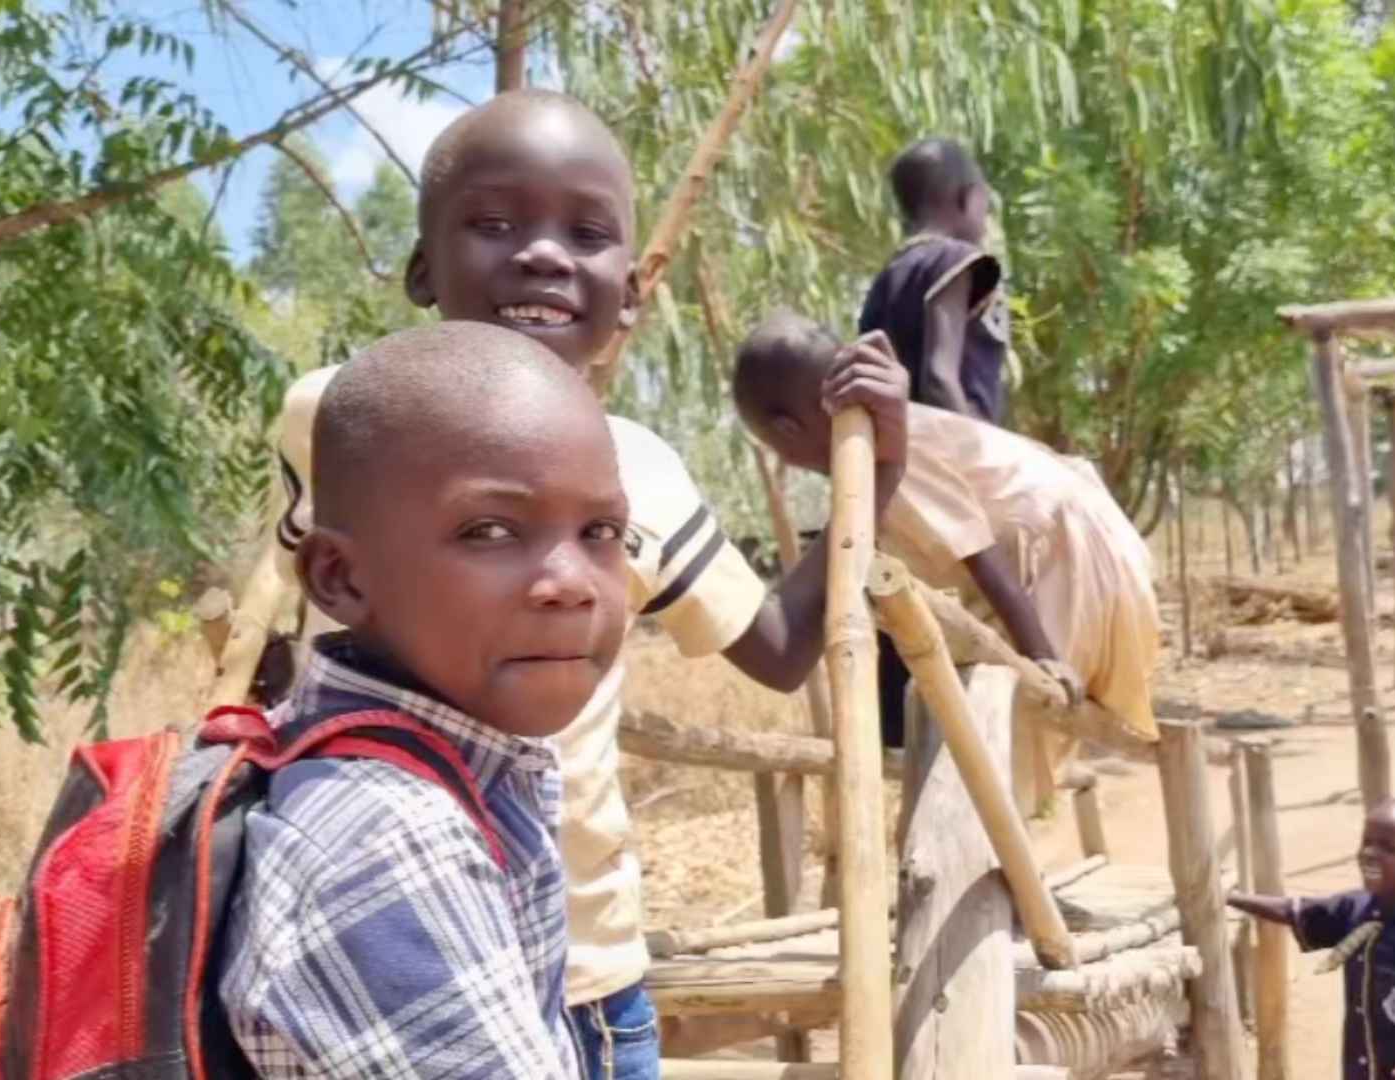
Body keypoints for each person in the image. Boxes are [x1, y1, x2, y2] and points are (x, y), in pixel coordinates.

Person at [266, 90, 912, 1080]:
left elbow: (781, 650)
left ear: (630, 296)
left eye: (587, 232)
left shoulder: (641, 468)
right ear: (422, 270)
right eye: (493, 223)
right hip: (380, 924)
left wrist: (884, 476)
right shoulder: (351, 418)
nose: (542, 254)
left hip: (584, 969)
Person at [222, 325, 627, 1075]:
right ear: (339, 577)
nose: (573, 582)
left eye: (601, 530)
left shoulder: (447, 774)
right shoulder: (389, 842)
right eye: (490, 529)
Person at [733, 311, 1160, 814]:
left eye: (770, 444)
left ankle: (995, 883)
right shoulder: (888, 432)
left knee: (998, 764)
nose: (781, 460)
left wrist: (1042, 656)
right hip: (1094, 542)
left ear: (786, 428)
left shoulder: (880, 455)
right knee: (994, 762)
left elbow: (980, 553)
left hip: (1069, 557)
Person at [1227, 798, 1395, 1080]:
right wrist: (1231, 897)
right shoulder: (1357, 908)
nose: (1370, 853)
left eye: (1389, 848)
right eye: (1366, 842)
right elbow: (1296, 911)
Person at [859, 136, 1010, 424]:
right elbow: (939, 379)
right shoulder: (954, 259)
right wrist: (972, 457)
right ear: (966, 198)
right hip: (954, 445)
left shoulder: (887, 278)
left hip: (904, 448)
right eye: (985, 203)